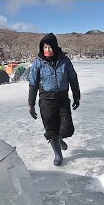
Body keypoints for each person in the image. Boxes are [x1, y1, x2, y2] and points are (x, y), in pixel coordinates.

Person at [28, 32, 81, 166]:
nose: (47, 50)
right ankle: (58, 154)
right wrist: (31, 103)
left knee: (67, 128)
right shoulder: (38, 62)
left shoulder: (65, 60)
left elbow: (73, 79)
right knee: (51, 128)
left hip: (62, 98)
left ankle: (59, 138)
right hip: (46, 99)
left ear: (55, 47)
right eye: (45, 47)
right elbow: (33, 83)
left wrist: (76, 96)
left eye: (50, 47)